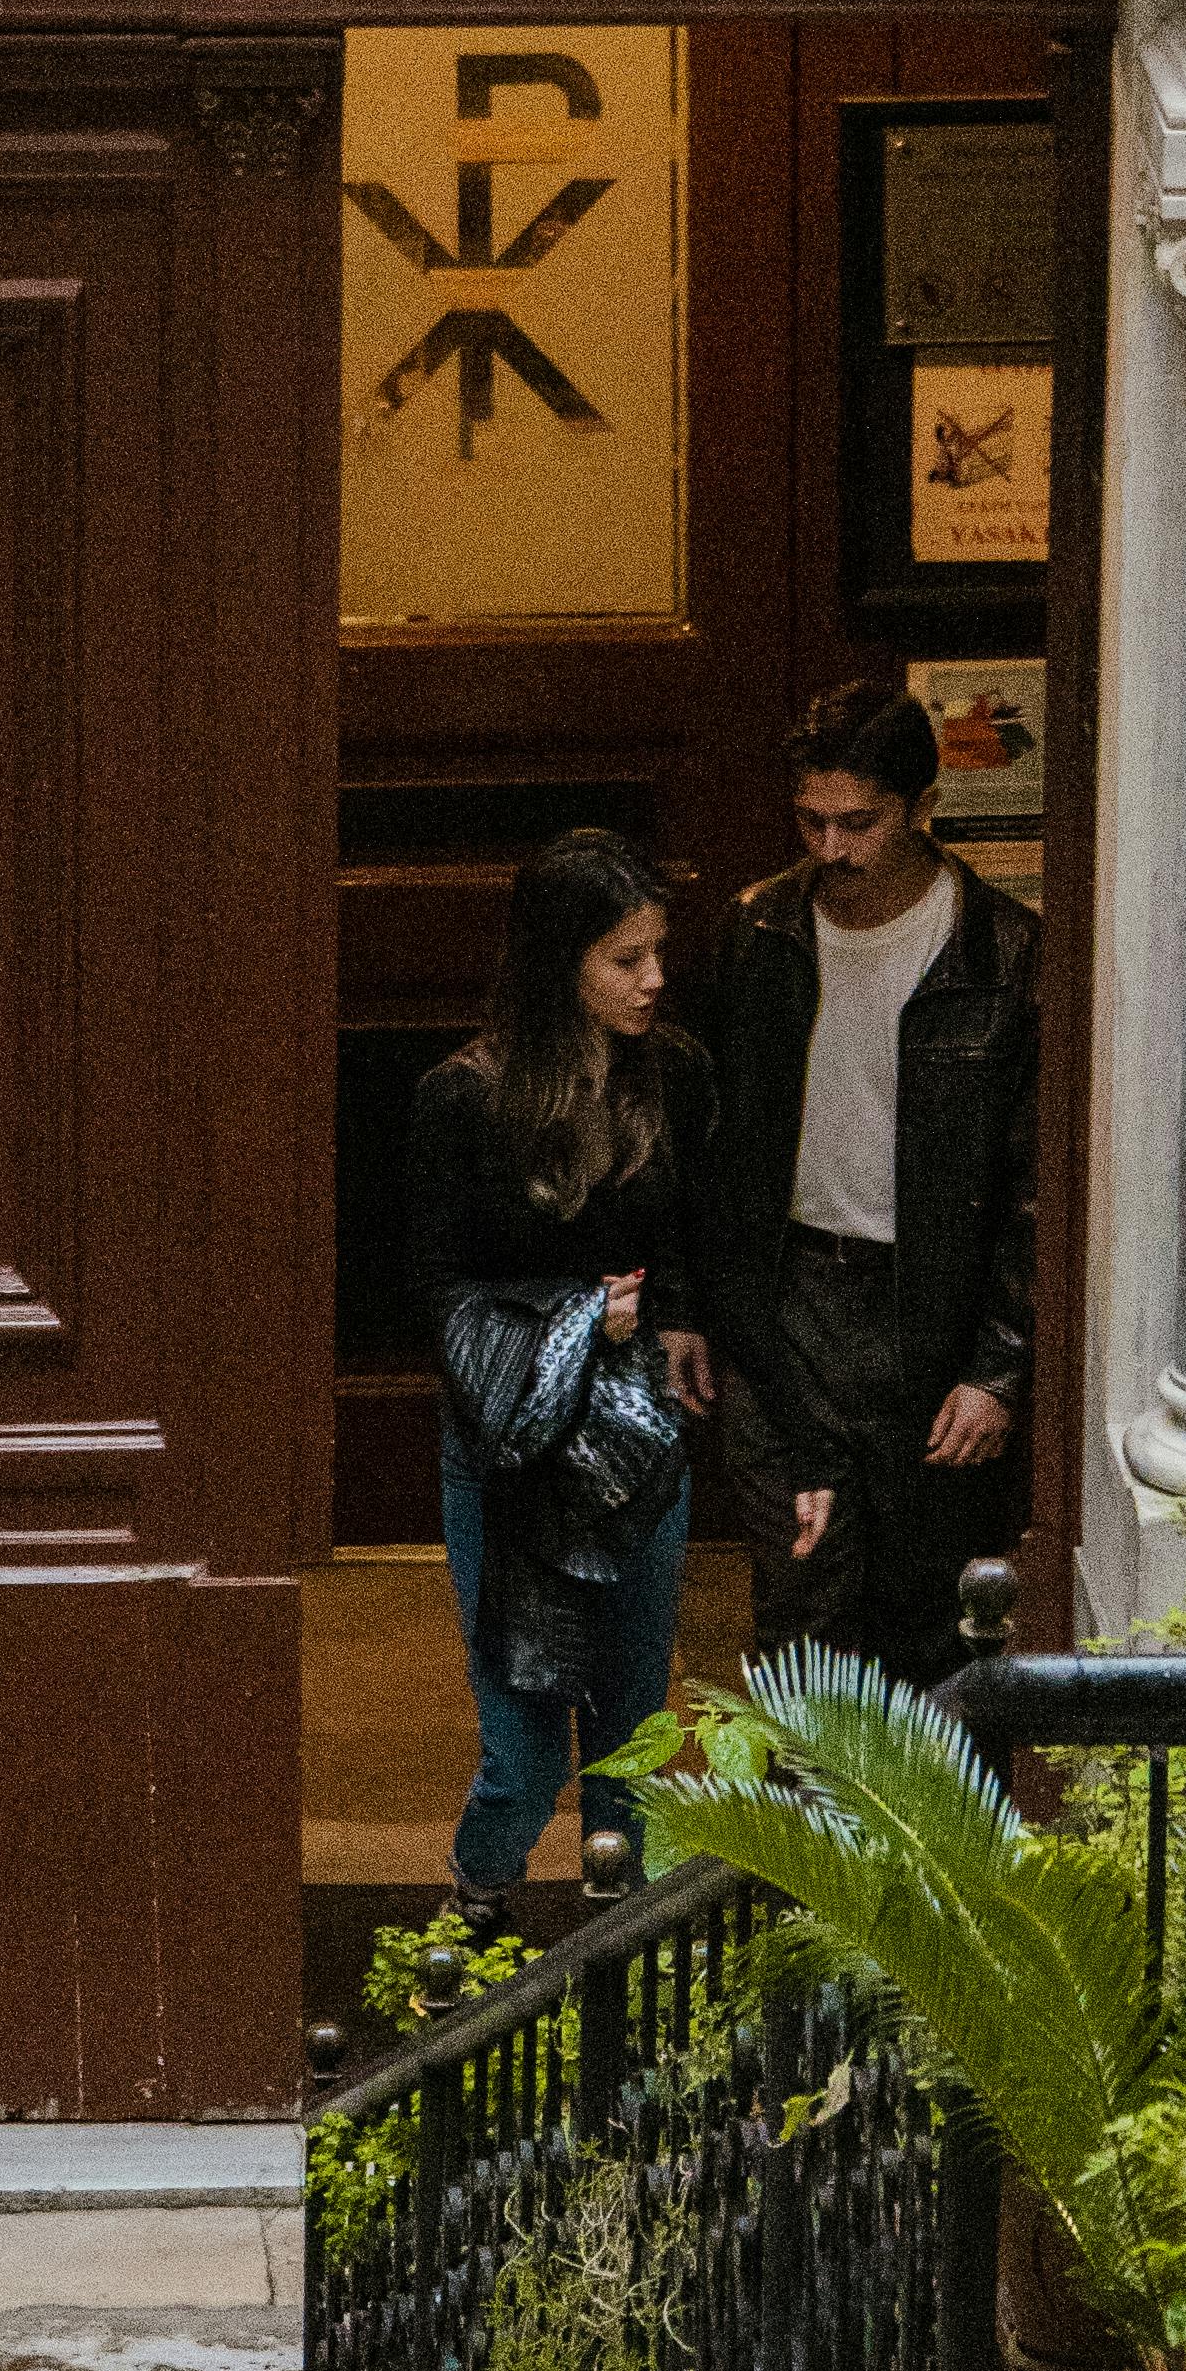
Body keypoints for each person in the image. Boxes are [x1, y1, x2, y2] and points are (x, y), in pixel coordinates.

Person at [695, 680, 1037, 1685]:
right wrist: (689, 1304)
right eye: (812, 821)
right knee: (801, 1604)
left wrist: (1000, 1364)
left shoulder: (1001, 953)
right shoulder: (759, 933)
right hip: (790, 1297)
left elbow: (1030, 1184)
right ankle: (803, 1839)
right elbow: (708, 1140)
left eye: (860, 823)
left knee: (928, 1611)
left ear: (924, 810)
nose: (833, 849)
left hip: (929, 1313)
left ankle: (908, 1840)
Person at [411, 827, 717, 1937]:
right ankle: (472, 1917)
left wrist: (671, 1316)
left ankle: (614, 1946)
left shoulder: (669, 1072)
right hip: (507, 1453)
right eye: (625, 959)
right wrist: (584, 1318)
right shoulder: (462, 1098)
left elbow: (681, 1227)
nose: (654, 979)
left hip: (633, 1440)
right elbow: (438, 1286)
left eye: (656, 953)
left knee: (634, 1730)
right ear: (560, 963)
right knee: (524, 1751)